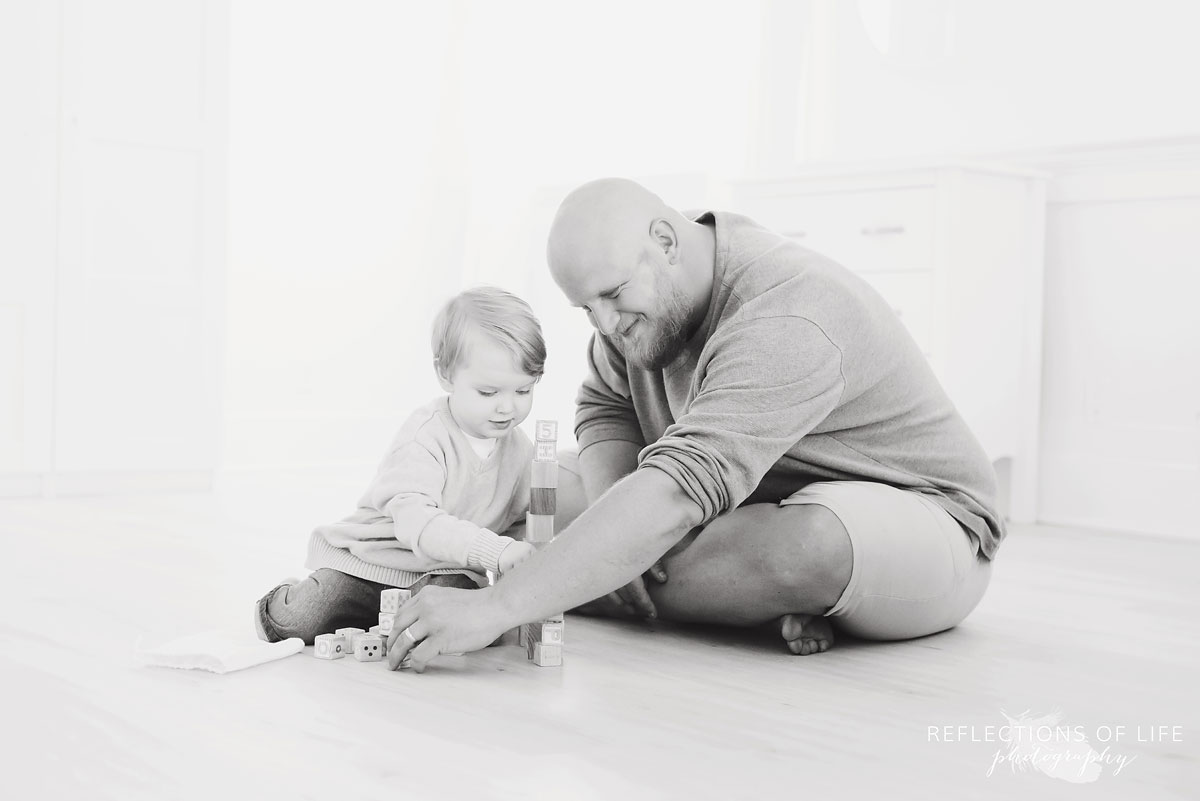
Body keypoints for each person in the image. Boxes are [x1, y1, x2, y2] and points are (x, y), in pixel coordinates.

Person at [385, 178, 1002, 671]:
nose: (604, 326)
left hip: (923, 518)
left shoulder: (790, 312)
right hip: (745, 494)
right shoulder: (636, 310)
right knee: (530, 485)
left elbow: (682, 486)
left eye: (612, 295)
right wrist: (613, 511)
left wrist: (502, 603)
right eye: (585, 309)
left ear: (666, 240)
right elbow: (606, 405)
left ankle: (534, 585)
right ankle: (707, 595)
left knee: (804, 546)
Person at [254, 286, 548, 644]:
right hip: (373, 564)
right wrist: (496, 551)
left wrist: (515, 575)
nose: (508, 407)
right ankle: (285, 599)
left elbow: (517, 526)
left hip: (443, 574)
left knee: (459, 614)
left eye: (523, 391)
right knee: (296, 623)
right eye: (489, 393)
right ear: (446, 375)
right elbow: (418, 522)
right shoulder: (425, 435)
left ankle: (386, 626)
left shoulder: (522, 453)